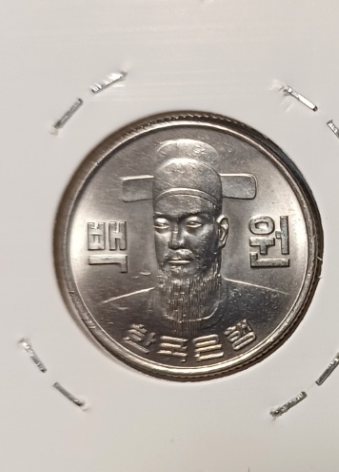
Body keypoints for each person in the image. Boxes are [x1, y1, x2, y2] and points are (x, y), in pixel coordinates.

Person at [101, 139, 287, 351]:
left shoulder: (266, 305)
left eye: (192, 224)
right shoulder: (115, 313)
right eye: (162, 225)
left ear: (221, 233)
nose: (175, 241)